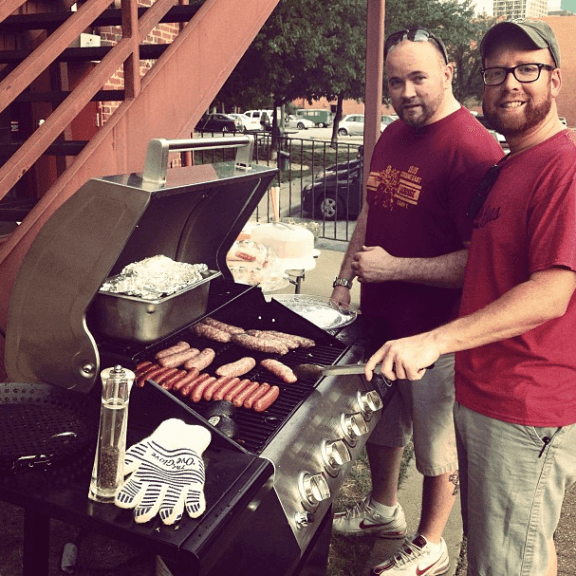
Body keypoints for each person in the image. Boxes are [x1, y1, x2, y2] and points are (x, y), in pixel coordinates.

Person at [364, 19, 576, 576]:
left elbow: (552, 292)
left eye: (526, 68)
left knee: (508, 559)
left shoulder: (564, 165)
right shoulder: (511, 163)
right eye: (497, 72)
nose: (510, 83)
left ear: (554, 79)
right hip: (487, 391)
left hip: (525, 402)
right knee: (516, 545)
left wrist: (434, 339)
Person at [330, 27, 504, 576]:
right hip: (380, 321)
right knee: (382, 424)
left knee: (436, 444)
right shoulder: (391, 134)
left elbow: (478, 260)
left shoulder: (472, 150)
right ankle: (383, 509)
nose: (406, 92)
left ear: (448, 71)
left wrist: (394, 268)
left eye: (418, 78)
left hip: (437, 332)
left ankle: (431, 543)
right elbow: (370, 211)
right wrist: (343, 279)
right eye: (396, 82)